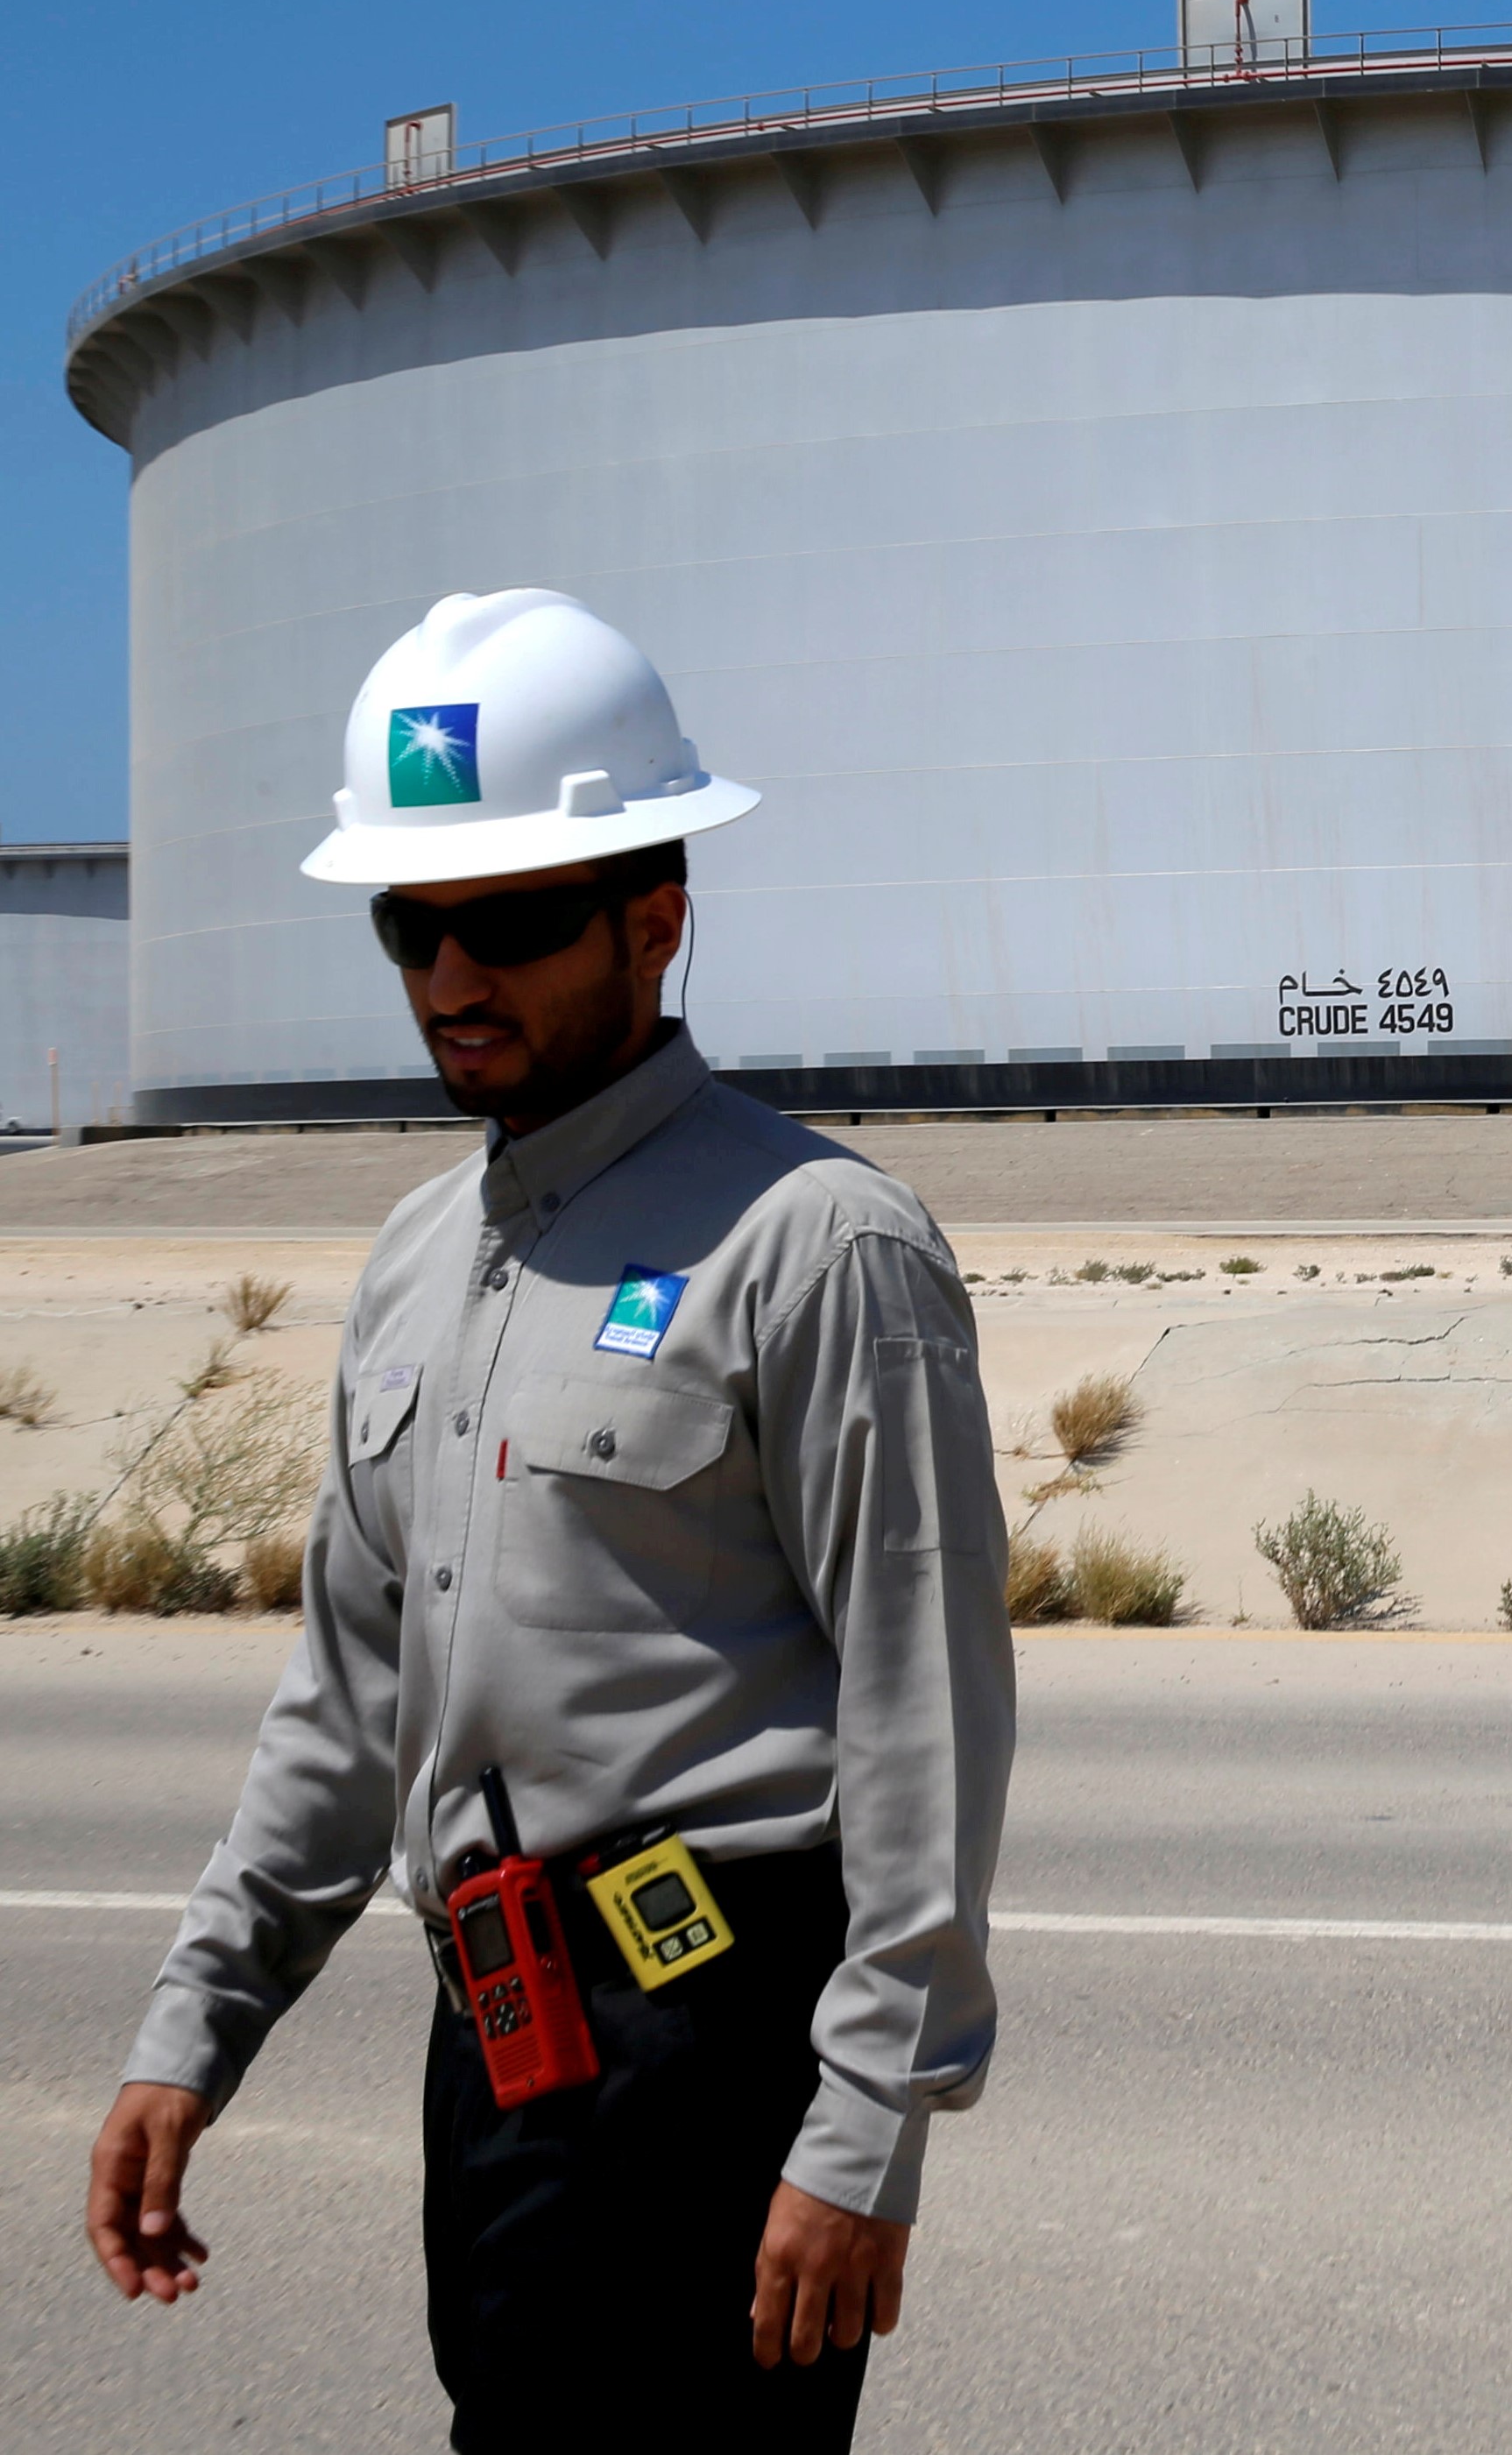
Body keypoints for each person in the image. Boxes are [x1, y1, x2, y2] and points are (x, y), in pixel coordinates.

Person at [84, 588, 1017, 2451]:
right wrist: (198, 2023)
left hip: (712, 2048)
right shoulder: (423, 1259)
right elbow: (351, 1696)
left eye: (505, 921)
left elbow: (925, 1718)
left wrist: (862, 2134)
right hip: (500, 2037)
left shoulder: (819, 1245)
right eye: (409, 924)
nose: (449, 977)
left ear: (652, 920)